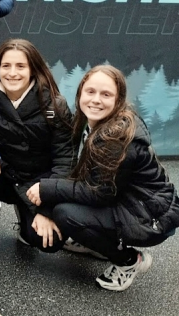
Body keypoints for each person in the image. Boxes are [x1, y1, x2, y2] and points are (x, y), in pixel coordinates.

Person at [27, 65, 179, 292]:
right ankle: (93, 242)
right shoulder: (88, 122)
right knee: (61, 212)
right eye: (90, 91)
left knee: (66, 214)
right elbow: (79, 172)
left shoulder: (115, 138)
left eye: (106, 94)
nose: (96, 100)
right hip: (124, 199)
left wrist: (47, 190)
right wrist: (46, 203)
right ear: (80, 93)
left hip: (148, 216)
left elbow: (99, 193)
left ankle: (129, 260)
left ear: (118, 100)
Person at [0, 39, 74, 268]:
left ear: (33, 69)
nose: (12, 73)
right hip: (1, 174)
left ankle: (26, 219)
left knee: (48, 242)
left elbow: (64, 161)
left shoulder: (54, 105)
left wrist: (45, 209)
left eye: (20, 66)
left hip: (36, 185)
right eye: (6, 66)